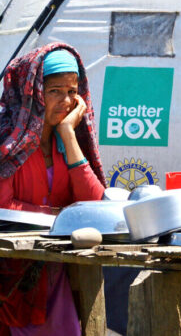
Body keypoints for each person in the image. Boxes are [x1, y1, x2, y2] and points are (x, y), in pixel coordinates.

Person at [0, 42, 106, 335]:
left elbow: (95, 205)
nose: (67, 101)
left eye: (72, 91)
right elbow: (3, 208)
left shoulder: (69, 142)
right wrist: (61, 216)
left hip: (57, 275)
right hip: (11, 279)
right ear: (32, 93)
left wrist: (68, 135)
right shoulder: (7, 143)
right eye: (55, 91)